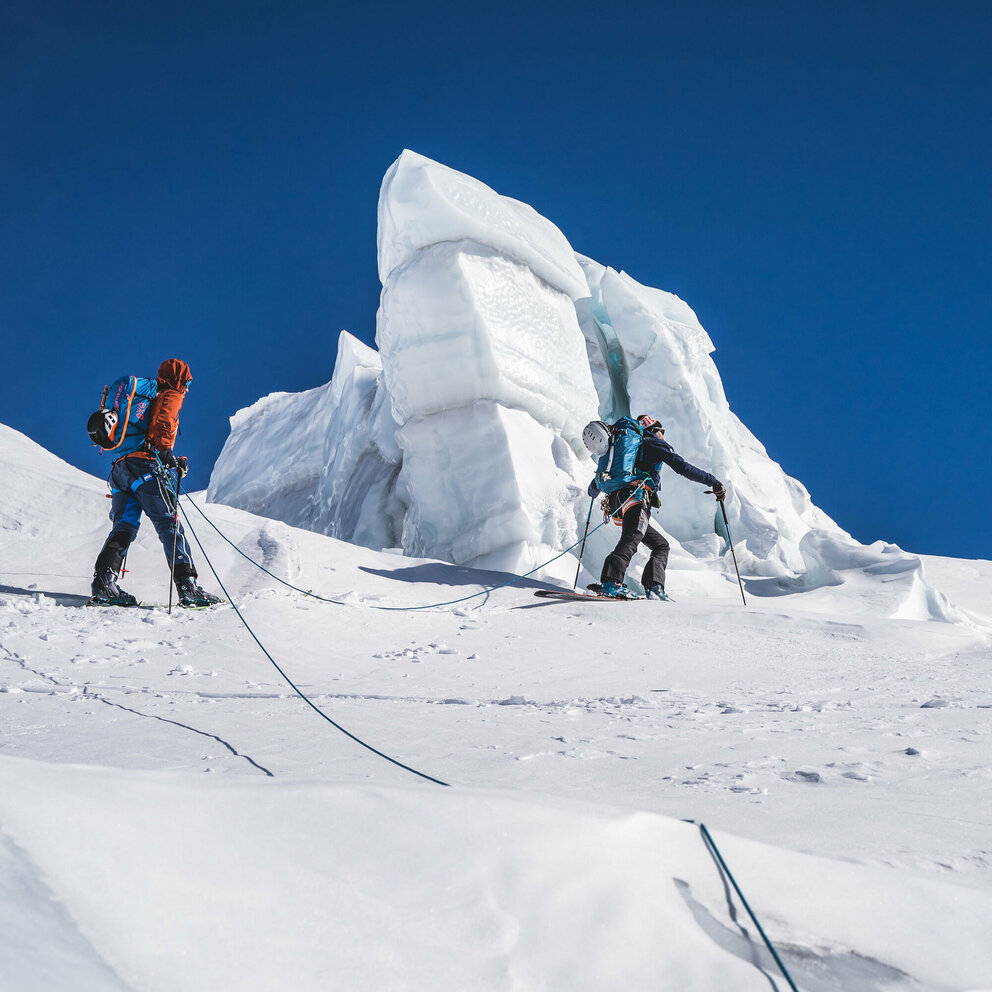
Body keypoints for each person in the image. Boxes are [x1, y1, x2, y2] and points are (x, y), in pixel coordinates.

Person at [90, 358, 221, 607]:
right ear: (179, 378)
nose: (187, 387)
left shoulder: (143, 394)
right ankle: (187, 586)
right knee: (168, 523)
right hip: (146, 468)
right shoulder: (170, 393)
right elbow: (164, 423)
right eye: (187, 382)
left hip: (120, 470)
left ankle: (104, 583)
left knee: (124, 526)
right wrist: (168, 456)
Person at [586, 414, 725, 600]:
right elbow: (682, 467)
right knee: (632, 538)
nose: (663, 435)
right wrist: (713, 482)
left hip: (617, 503)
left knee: (661, 545)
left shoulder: (628, 449)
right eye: (662, 431)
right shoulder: (653, 444)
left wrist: (595, 490)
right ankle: (611, 582)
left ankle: (654, 586)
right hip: (635, 498)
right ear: (654, 430)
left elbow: (596, 484)